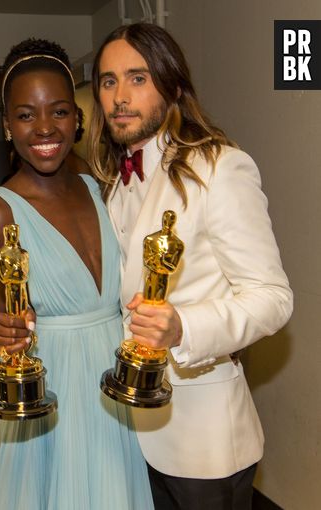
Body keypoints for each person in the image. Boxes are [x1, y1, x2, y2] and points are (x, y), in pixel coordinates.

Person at [88, 23, 293, 509]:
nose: (120, 96)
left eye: (137, 79)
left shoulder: (220, 166)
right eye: (108, 80)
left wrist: (183, 327)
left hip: (205, 442)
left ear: (172, 85)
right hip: (133, 429)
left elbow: (273, 297)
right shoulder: (116, 182)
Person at [0, 38, 153, 510]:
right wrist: (1, 334)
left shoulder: (103, 188)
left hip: (115, 385)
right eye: (26, 115)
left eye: (59, 111)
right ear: (6, 125)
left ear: (78, 118)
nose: (45, 127)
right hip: (52, 397)